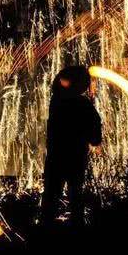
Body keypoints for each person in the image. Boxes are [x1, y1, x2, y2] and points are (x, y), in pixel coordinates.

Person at [42, 66, 102, 226]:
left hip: (56, 156)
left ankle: (45, 229)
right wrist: (95, 141)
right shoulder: (83, 105)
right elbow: (95, 127)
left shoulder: (57, 101)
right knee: (75, 194)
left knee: (51, 194)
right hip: (75, 157)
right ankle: (76, 227)